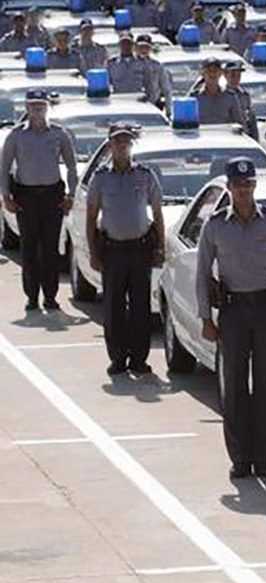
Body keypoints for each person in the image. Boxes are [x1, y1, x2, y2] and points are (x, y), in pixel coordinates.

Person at [196, 157, 266, 479]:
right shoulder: (215, 225)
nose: (244, 191)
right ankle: (240, 458)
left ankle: (264, 459)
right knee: (235, 387)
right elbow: (202, 273)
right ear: (228, 188)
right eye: (238, 186)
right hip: (233, 311)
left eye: (249, 185)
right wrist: (206, 318)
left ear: (255, 186)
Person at [85, 123, 165, 376]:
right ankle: (118, 358)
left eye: (126, 142)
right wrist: (93, 252)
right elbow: (91, 217)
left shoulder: (144, 175)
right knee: (113, 307)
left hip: (140, 250)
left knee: (141, 308)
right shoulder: (100, 178)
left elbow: (158, 213)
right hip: (113, 251)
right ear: (110, 145)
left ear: (131, 146)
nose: (122, 146)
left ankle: (139, 359)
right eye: (118, 141)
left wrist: (160, 247)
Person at [0, 90, 78, 312]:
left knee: (50, 249)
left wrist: (71, 195)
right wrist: (6, 196)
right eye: (33, 106)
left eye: (41, 106)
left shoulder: (59, 134)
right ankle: (32, 296)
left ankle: (50, 296)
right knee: (30, 249)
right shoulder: (16, 135)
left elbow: (72, 166)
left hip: (52, 196)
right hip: (26, 197)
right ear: (26, 108)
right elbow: (4, 168)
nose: (37, 110)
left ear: (47, 108)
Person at [191, 58, 246, 126]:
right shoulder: (194, 98)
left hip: (225, 136)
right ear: (203, 74)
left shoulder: (230, 97)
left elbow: (239, 124)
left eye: (215, 71)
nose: (212, 74)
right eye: (209, 71)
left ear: (220, 73)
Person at [136, 34, 172, 113]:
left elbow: (166, 88)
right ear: (136, 48)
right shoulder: (132, 64)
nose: (143, 50)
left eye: (146, 47)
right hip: (135, 104)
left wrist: (169, 110)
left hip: (153, 105)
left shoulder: (157, 65)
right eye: (141, 47)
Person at [224, 62, 259, 140]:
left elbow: (251, 119)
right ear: (225, 75)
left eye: (238, 76)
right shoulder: (222, 95)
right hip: (228, 136)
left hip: (244, 137)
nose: (236, 79)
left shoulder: (244, 95)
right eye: (233, 75)